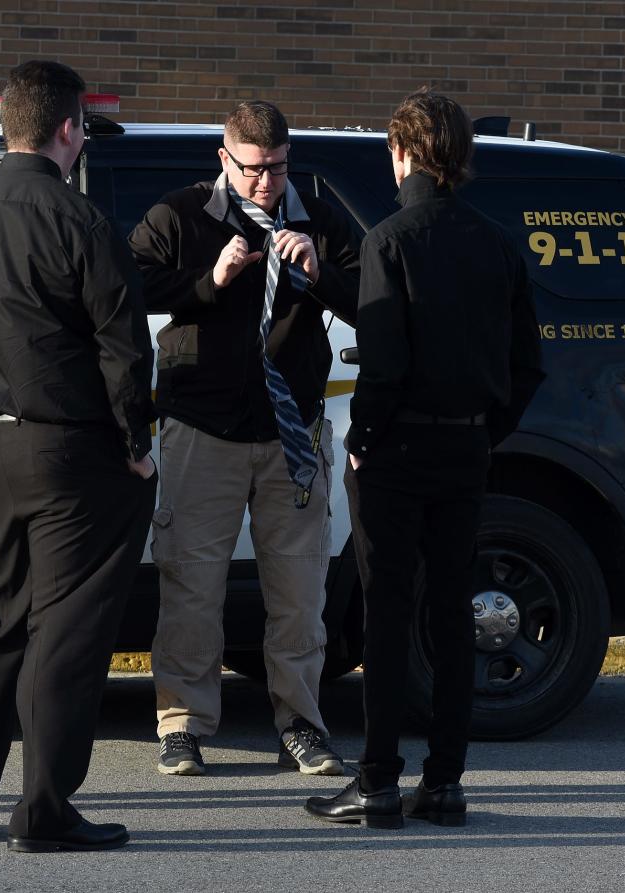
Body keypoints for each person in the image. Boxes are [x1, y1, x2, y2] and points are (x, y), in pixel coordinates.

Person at [0, 60, 157, 852]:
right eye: (83, 125)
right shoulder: (78, 218)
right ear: (67, 129)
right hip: (72, 451)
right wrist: (136, 443)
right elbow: (124, 345)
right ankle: (45, 811)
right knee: (66, 630)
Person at [305, 89, 544, 829]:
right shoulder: (497, 242)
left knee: (387, 610)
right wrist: (484, 428)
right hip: (465, 443)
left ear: (402, 152)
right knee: (450, 612)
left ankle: (377, 778)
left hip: (397, 447)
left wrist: (361, 440)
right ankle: (444, 781)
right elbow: (527, 364)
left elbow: (381, 366)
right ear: (460, 158)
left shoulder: (389, 240)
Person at [131, 100, 360, 777]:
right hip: (203, 427)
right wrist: (209, 281)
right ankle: (183, 724)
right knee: (192, 585)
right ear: (224, 160)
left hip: (289, 431)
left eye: (279, 168)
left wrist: (321, 271)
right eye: (255, 170)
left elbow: (371, 295)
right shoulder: (181, 215)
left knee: (299, 590)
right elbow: (128, 285)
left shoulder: (316, 216)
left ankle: (302, 723)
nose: (268, 184)